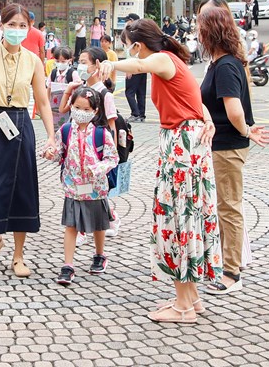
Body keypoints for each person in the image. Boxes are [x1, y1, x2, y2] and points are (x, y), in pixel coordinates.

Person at [95, 18, 222, 323]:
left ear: (137, 44)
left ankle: (183, 307)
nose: (129, 51)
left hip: (181, 146)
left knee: (178, 219)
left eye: (129, 45)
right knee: (187, 216)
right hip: (186, 144)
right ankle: (190, 298)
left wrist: (113, 65)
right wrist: (207, 119)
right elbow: (196, 101)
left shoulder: (162, 59)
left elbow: (140, 66)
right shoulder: (173, 62)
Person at [0, 3, 57, 278]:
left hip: (20, 124)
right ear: (1, 26)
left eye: (22, 25)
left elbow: (42, 101)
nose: (17, 30)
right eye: (12, 24)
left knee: (21, 190)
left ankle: (18, 256)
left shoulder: (33, 61)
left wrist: (51, 136)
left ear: (28, 29)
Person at [197, 0, 269, 295]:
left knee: (229, 207)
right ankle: (228, 263)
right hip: (222, 144)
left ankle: (231, 273)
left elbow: (234, 110)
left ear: (211, 32)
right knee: (224, 207)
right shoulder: (221, 63)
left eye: (201, 27)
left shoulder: (226, 65)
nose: (197, 34)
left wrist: (247, 130)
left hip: (227, 145)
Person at [46, 87, 118, 284]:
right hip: (72, 187)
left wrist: (99, 167)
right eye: (77, 107)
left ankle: (99, 254)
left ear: (95, 111)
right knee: (71, 225)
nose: (80, 112)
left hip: (95, 188)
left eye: (86, 109)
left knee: (98, 224)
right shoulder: (66, 130)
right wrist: (51, 153)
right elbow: (59, 153)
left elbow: (113, 157)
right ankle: (68, 265)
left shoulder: (101, 134)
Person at [61, 46, 121, 239]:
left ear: (97, 65)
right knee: (78, 191)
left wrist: (106, 159)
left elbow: (111, 127)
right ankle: (83, 228)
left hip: (95, 156)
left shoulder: (105, 95)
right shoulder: (80, 90)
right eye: (79, 62)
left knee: (96, 194)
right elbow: (62, 109)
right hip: (75, 153)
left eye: (84, 62)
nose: (80, 66)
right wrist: (69, 90)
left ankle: (106, 221)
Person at [48, 46, 81, 131]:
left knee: (66, 130)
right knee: (54, 130)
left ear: (69, 60)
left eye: (63, 61)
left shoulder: (73, 73)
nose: (60, 63)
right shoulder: (53, 73)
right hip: (54, 109)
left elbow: (77, 93)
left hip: (68, 109)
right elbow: (48, 89)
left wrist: (68, 107)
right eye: (57, 61)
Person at [122, 13, 147, 122]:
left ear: (132, 20)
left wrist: (129, 69)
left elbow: (131, 53)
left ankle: (135, 114)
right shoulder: (143, 33)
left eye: (128, 20)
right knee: (141, 92)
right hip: (144, 67)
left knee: (130, 92)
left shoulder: (133, 34)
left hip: (134, 67)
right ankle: (141, 115)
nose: (127, 23)